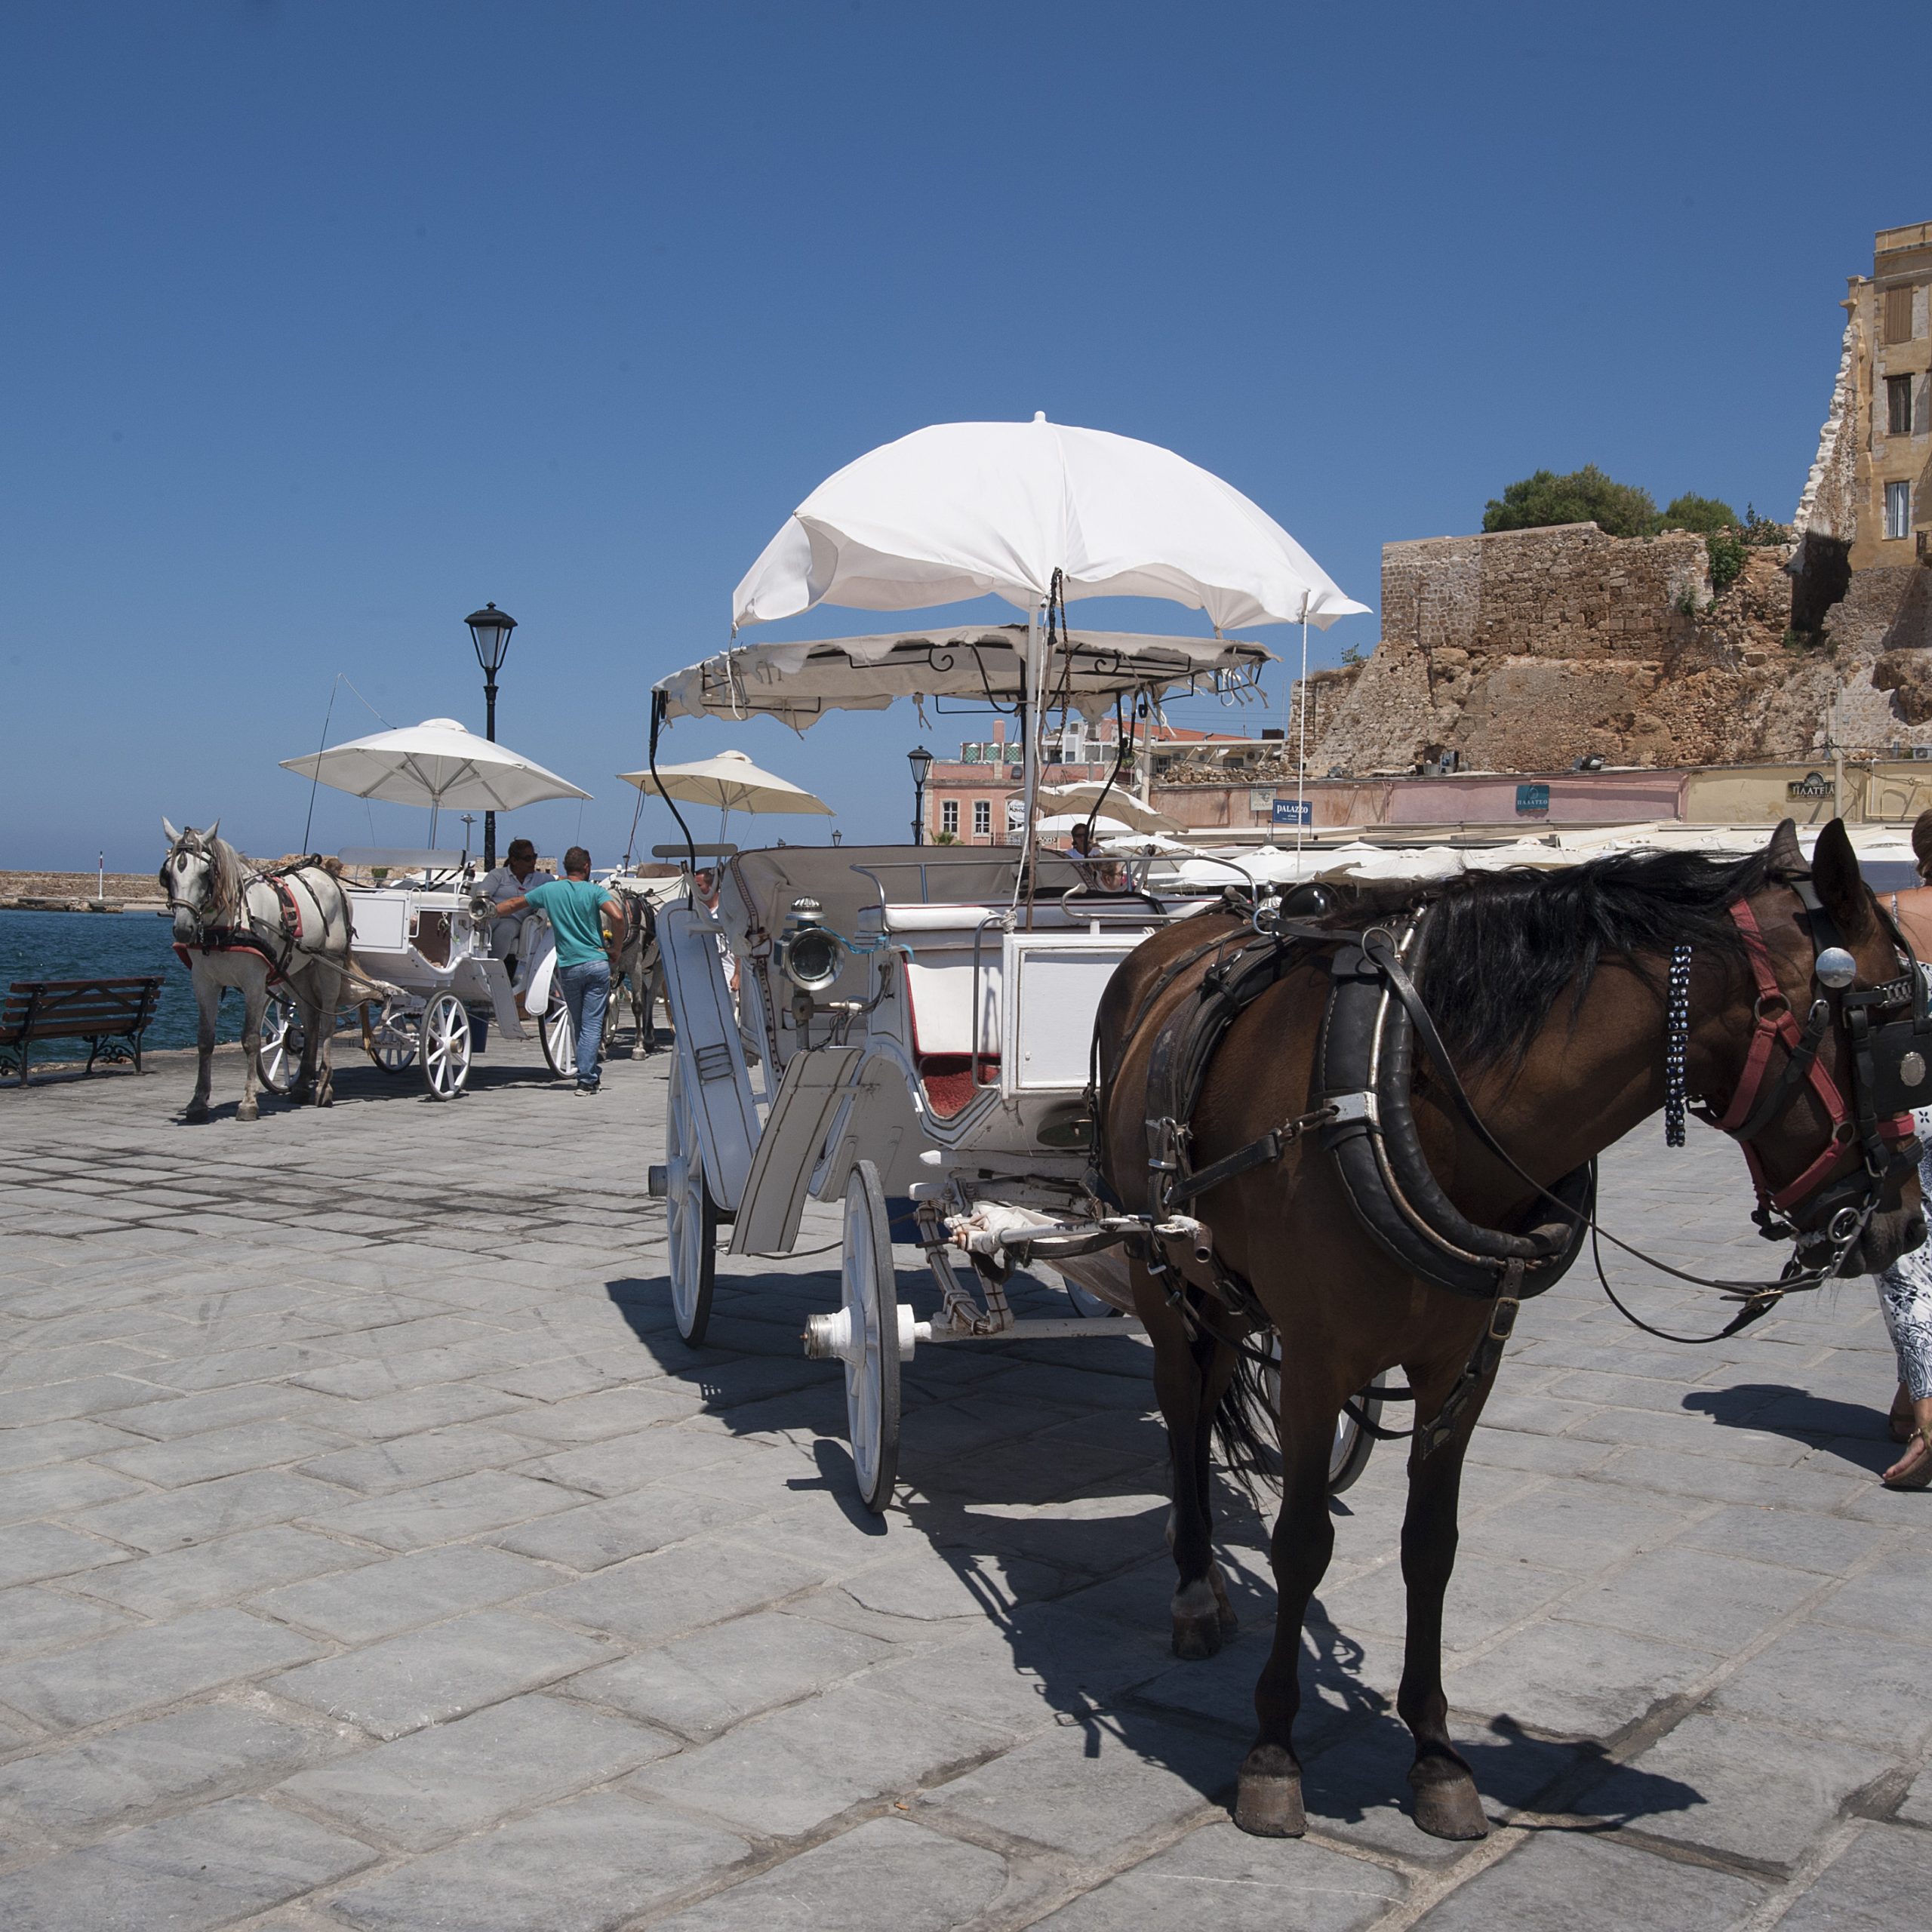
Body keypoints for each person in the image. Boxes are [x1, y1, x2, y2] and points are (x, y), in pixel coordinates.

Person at [1872, 809, 1932, 1488]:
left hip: (1912, 1104)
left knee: (1908, 1261)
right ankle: (1906, 1400)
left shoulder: (1892, 916)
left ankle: (1925, 1414)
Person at [490, 846, 624, 1094]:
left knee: (578, 1022)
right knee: (592, 1025)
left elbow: (513, 904)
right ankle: (587, 1078)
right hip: (596, 962)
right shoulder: (595, 891)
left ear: (565, 867)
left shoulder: (551, 890)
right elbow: (617, 916)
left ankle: (589, 1074)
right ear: (587, 866)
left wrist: (486, 912)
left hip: (570, 966)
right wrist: (616, 947)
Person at [478, 839, 543, 982]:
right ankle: (475, 965)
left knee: (505, 931)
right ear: (514, 860)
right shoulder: (498, 875)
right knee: (486, 926)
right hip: (494, 914)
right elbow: (482, 894)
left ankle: (490, 975)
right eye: (528, 858)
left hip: (517, 920)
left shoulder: (541, 880)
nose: (533, 862)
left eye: (534, 857)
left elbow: (561, 883)